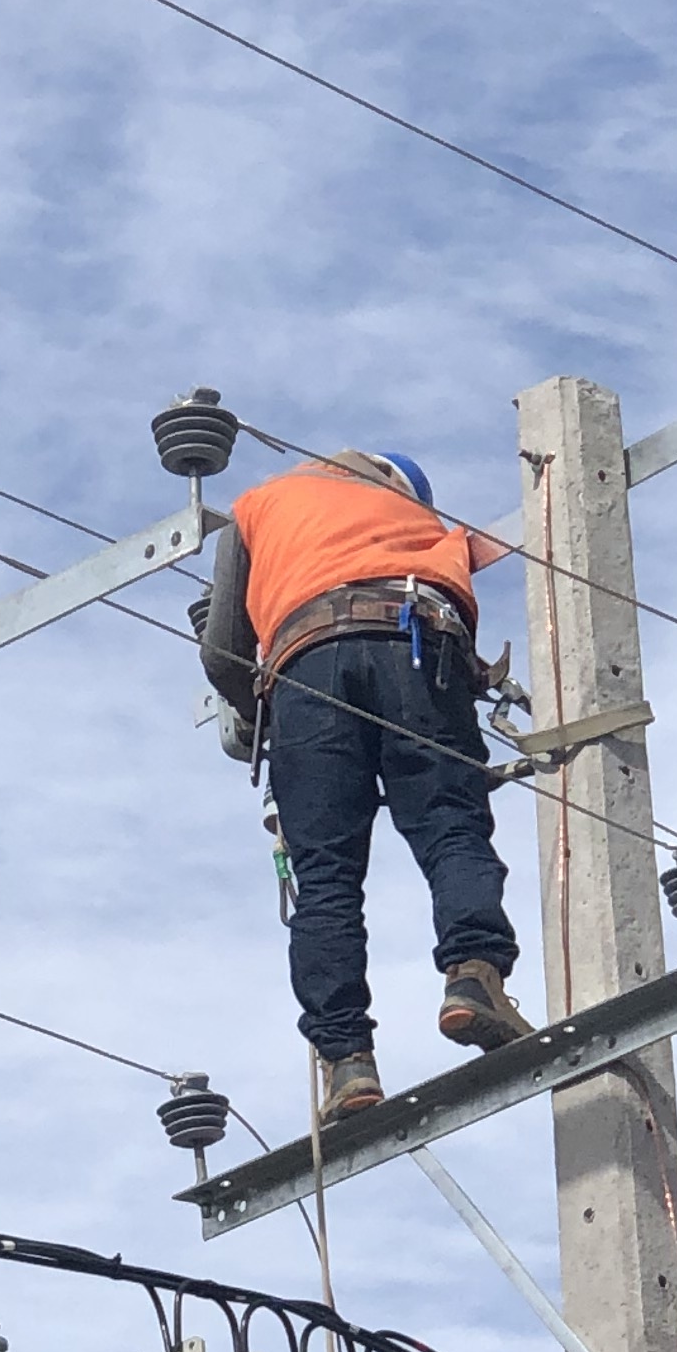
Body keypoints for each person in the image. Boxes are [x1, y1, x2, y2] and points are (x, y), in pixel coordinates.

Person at [196, 445, 532, 1119]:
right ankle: (473, 978)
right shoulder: (413, 517)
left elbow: (224, 646)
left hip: (302, 670)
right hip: (412, 636)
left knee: (324, 878)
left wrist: (257, 716)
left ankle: (348, 1062)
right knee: (447, 822)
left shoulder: (257, 507)